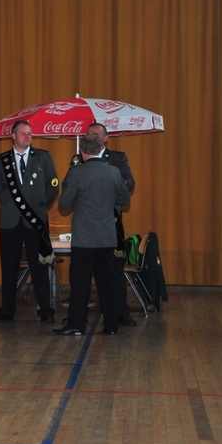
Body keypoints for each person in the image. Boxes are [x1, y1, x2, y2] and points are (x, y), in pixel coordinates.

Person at [53, 131, 131, 335]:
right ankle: (111, 324)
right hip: (107, 236)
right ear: (100, 148)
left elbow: (64, 203)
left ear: (82, 151)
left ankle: (76, 324)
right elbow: (124, 199)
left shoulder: (77, 173)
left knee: (80, 284)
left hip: (84, 238)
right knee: (107, 283)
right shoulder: (114, 172)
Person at [70, 122, 137, 326]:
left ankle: (119, 312)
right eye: (88, 134)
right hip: (89, 225)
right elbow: (69, 184)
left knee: (113, 271)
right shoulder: (77, 160)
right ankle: (96, 318)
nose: (91, 138)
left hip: (112, 223)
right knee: (85, 275)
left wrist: (107, 192)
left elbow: (129, 183)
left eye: (95, 135)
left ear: (105, 139)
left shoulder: (117, 158)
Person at [0, 120, 59, 324]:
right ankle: (7, 311)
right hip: (10, 222)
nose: (27, 136)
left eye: (29, 133)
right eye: (23, 133)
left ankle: (45, 310)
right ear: (13, 136)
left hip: (35, 221)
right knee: (9, 268)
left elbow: (53, 185)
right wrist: (13, 206)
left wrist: (40, 205)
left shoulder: (43, 157)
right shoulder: (2, 160)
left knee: (40, 266)